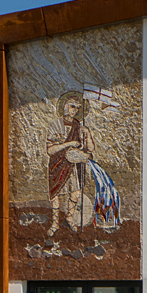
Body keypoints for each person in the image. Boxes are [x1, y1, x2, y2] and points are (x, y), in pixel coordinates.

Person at [46, 90, 95, 236]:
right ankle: (55, 223)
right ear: (64, 106)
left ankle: (69, 218)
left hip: (73, 164)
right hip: (57, 164)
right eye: (72, 106)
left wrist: (87, 134)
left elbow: (90, 149)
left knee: (75, 193)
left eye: (77, 108)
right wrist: (68, 144)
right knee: (55, 194)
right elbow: (50, 150)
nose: (75, 110)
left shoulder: (78, 126)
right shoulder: (55, 125)